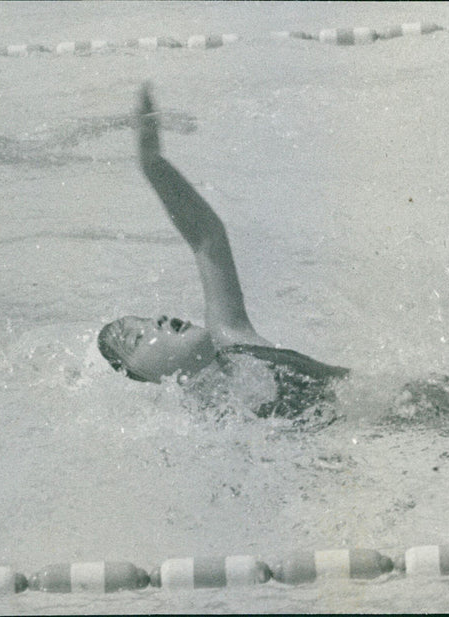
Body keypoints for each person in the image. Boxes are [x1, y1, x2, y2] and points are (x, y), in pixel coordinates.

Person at [98, 83, 349, 420]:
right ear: (147, 377)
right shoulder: (209, 425)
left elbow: (207, 239)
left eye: (144, 320)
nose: (155, 319)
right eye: (138, 337)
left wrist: (153, 164)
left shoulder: (233, 339)